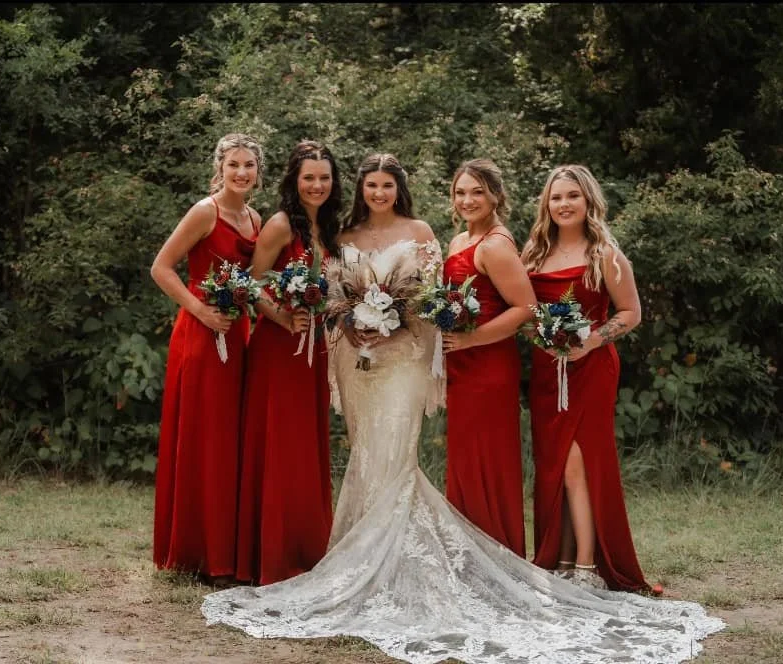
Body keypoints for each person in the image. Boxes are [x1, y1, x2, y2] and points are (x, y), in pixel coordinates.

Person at [199, 155, 723, 664]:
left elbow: (432, 302)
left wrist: (407, 326)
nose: (378, 194)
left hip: (408, 359)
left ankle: (533, 561)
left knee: (402, 457)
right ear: (359, 190)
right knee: (369, 455)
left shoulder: (431, 233)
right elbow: (339, 292)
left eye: (387, 185)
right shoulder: (350, 237)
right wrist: (350, 321)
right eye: (370, 186)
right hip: (358, 358)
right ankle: (367, 557)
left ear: (400, 189)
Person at [521, 164, 654, 593]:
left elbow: (631, 313)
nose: (564, 204)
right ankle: (558, 558)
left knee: (578, 463)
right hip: (548, 368)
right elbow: (523, 312)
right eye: (556, 197)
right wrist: (539, 337)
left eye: (572, 196)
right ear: (547, 204)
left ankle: (586, 567)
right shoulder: (533, 254)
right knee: (554, 464)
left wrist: (593, 340)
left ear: (588, 201)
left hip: (591, 366)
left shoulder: (605, 255)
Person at [151, 133, 264, 582]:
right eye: (234, 164)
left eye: (249, 165)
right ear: (220, 167)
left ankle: (227, 551)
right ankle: (199, 553)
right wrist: (198, 309)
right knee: (205, 437)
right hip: (200, 334)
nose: (241, 172)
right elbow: (161, 267)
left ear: (258, 171)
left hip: (237, 334)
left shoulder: (255, 217)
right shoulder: (205, 211)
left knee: (229, 438)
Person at [235, 140, 342, 585]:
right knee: (279, 445)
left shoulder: (332, 229)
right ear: (294, 181)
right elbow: (251, 282)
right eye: (308, 177)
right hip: (279, 350)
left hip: (314, 352)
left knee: (304, 447)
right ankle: (273, 554)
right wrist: (283, 315)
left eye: (324, 177)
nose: (316, 185)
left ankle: (307, 547)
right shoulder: (280, 225)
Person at [441, 159, 536, 557]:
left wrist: (472, 338)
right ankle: (468, 555)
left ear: (496, 195)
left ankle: (496, 554)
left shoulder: (495, 245)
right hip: (461, 366)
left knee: (486, 459)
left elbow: (525, 308)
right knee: (465, 459)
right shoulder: (458, 241)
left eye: (478, 191)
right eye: (461, 192)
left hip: (488, 367)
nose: (468, 200)